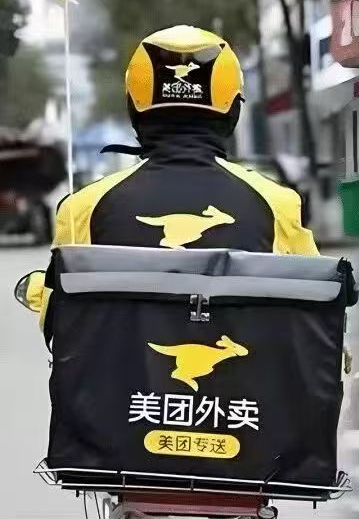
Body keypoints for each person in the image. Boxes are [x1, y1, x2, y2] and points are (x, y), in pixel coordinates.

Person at [26, 25, 317, 325]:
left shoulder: (83, 208)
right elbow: (314, 307)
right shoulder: (277, 204)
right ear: (233, 111)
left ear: (133, 108)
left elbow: (56, 322)